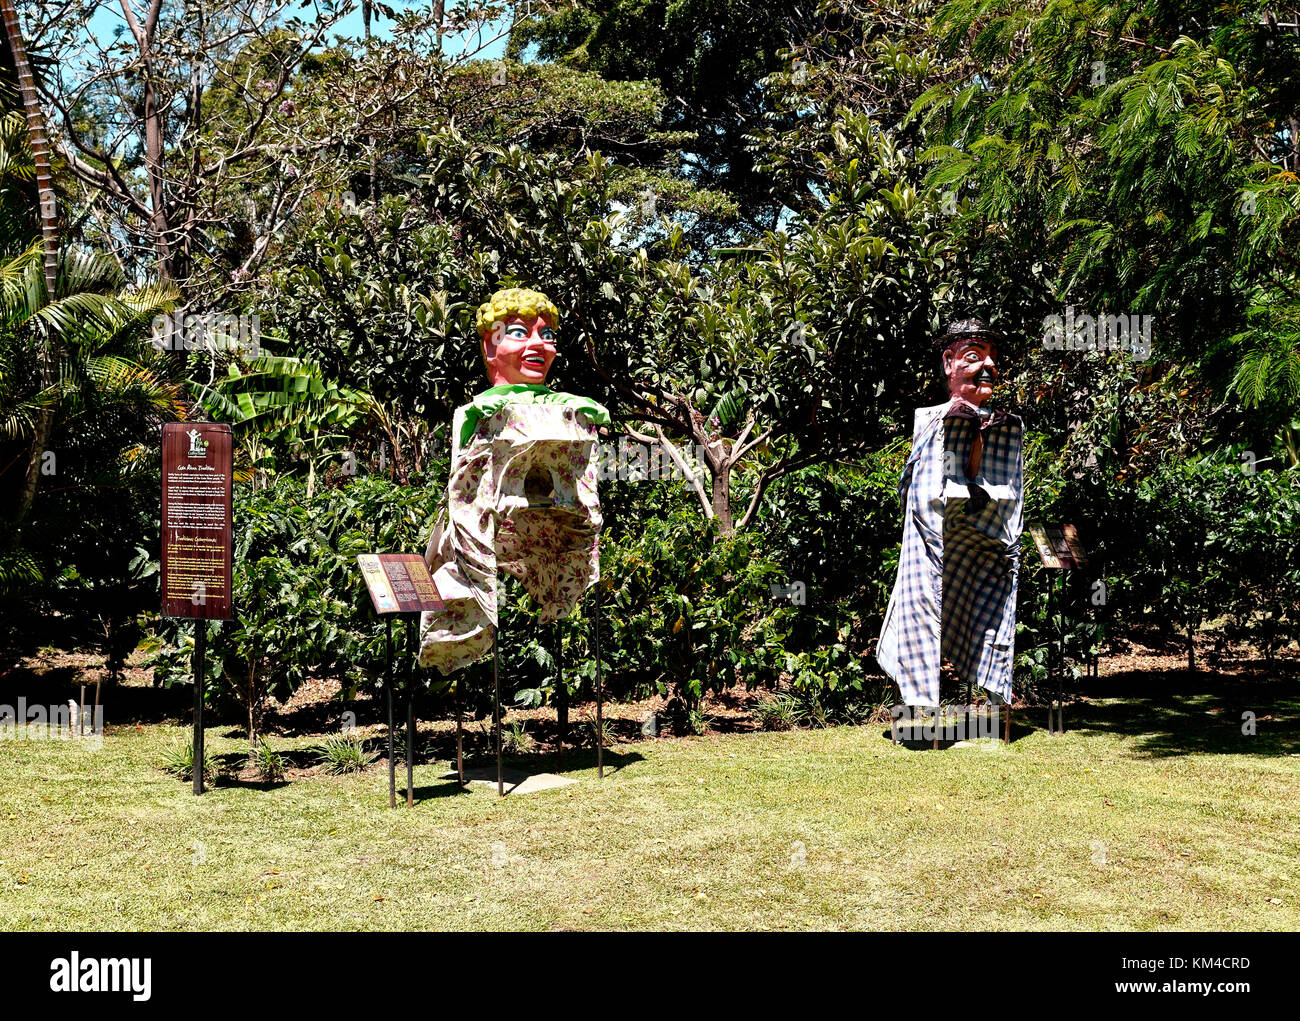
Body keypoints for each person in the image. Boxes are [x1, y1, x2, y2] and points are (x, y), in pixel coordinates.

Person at [418, 288, 610, 673]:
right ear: (491, 348)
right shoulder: (480, 408)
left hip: (547, 521)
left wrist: (578, 407)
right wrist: (476, 414)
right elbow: (461, 460)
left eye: (548, 335)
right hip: (489, 524)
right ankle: (449, 647)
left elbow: (584, 419)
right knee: (464, 577)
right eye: (521, 333)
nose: (540, 344)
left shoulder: (561, 406)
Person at [876, 318, 1024, 710]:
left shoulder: (1006, 423)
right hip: (935, 541)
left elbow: (1006, 500)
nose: (987, 367)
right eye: (974, 357)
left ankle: (992, 700)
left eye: (992, 358)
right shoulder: (931, 418)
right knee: (922, 603)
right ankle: (920, 707)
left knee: (994, 594)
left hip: (980, 542)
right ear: (948, 364)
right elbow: (921, 492)